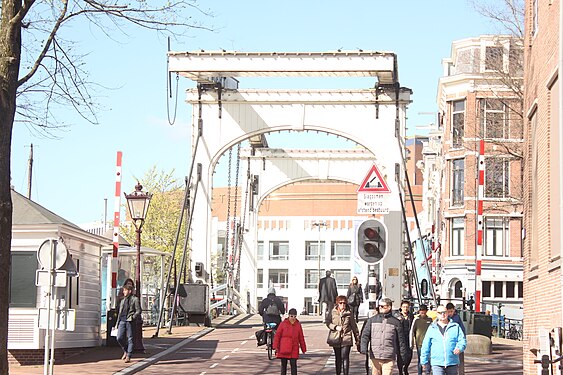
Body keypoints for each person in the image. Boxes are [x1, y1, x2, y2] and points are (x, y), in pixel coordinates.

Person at [360, 297, 408, 375]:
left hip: (389, 356)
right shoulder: (371, 320)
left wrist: (402, 355)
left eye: (383, 306)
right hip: (375, 356)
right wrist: (363, 348)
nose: (380, 308)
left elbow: (401, 340)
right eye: (379, 306)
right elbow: (365, 335)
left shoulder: (396, 322)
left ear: (389, 307)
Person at [420, 305, 466, 375]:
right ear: (437, 314)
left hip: (452, 361)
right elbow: (426, 345)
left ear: (447, 313)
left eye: (444, 312)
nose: (443, 314)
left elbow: (462, 340)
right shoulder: (432, 328)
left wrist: (459, 348)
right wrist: (424, 360)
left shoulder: (455, 326)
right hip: (437, 363)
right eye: (440, 313)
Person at [326, 295, 360, 375]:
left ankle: (345, 373)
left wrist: (357, 339)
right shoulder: (332, 312)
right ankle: (338, 373)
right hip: (336, 337)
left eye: (344, 303)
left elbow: (354, 326)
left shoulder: (349, 313)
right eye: (340, 303)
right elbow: (328, 322)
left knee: (345, 357)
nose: (342, 305)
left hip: (346, 337)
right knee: (338, 358)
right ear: (337, 303)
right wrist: (335, 327)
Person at [273, 308, 307, 375]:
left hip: (294, 348)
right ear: (288, 315)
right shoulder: (283, 324)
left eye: (295, 316)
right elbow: (277, 335)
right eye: (291, 316)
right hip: (284, 348)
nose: (293, 318)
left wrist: (303, 348)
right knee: (283, 366)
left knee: (294, 366)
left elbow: (301, 337)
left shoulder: (298, 325)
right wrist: (275, 346)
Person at [116, 283, 141, 363]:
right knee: (119, 337)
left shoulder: (135, 299)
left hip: (130, 320)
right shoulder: (122, 300)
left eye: (125, 290)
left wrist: (133, 317)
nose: (124, 292)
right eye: (123, 290)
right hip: (122, 320)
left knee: (130, 338)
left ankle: (129, 355)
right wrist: (117, 322)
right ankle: (126, 350)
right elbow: (120, 311)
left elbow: (138, 310)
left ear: (129, 291)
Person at [410, 304, 433, 375]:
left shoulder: (430, 319)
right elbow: (412, 331)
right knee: (421, 359)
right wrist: (411, 343)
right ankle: (419, 373)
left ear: (426, 311)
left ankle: (427, 372)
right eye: (421, 312)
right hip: (419, 343)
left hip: (429, 343)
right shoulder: (416, 320)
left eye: (424, 312)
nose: (422, 313)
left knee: (429, 359)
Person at [394, 300, 414, 375]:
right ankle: (400, 371)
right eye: (404, 307)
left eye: (407, 307)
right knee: (400, 355)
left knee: (409, 355)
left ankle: (406, 368)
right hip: (400, 338)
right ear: (401, 307)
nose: (405, 309)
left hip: (408, 337)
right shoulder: (397, 316)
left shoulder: (411, 316)